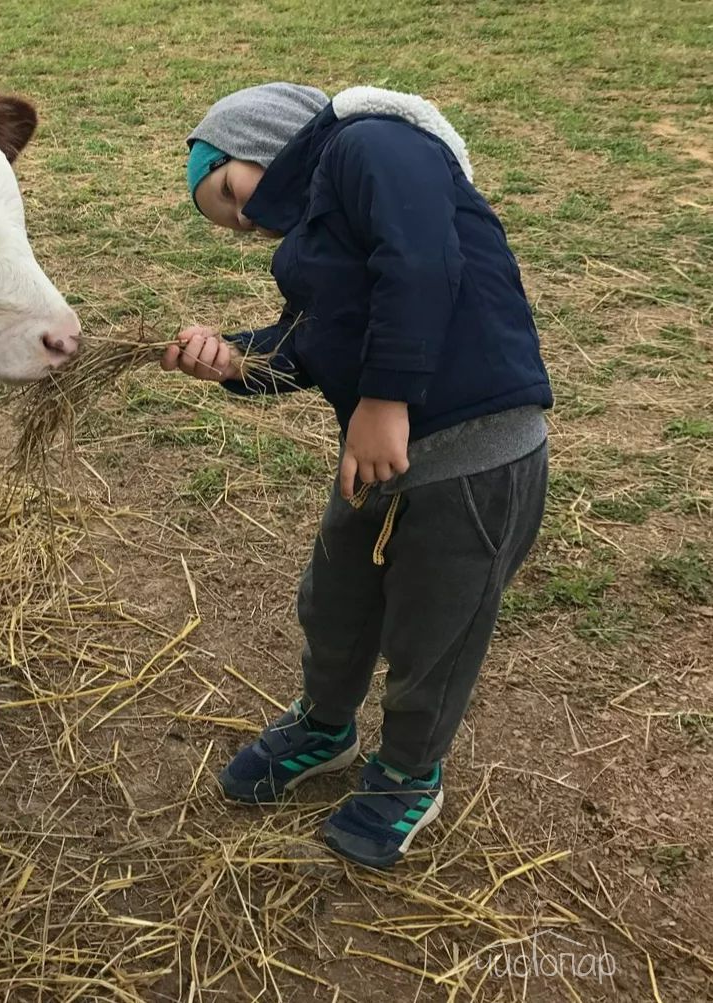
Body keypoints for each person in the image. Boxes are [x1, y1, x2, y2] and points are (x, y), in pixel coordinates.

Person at [163, 82, 552, 869]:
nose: (248, 219)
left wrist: (383, 397)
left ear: (266, 138)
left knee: (435, 628)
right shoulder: (312, 240)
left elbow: (423, 264)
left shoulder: (373, 144)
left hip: (477, 451)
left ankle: (409, 773)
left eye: (234, 193)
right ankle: (326, 725)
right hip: (380, 456)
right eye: (233, 224)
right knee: (335, 595)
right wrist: (238, 358)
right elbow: (314, 341)